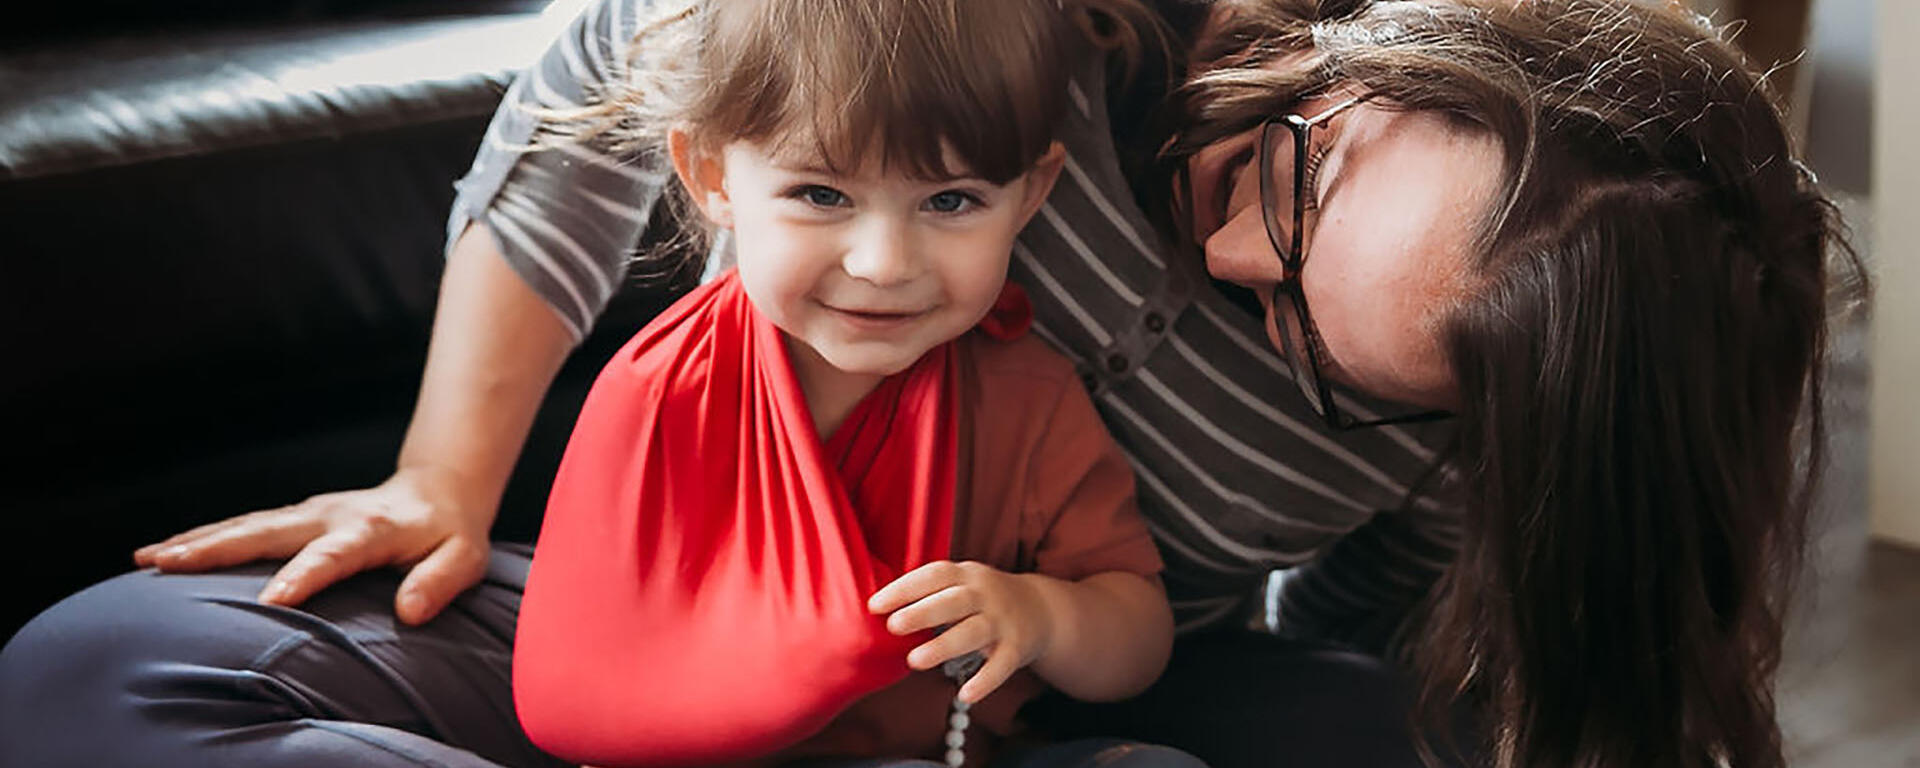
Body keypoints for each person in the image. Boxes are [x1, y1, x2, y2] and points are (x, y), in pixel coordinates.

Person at [0, 0, 1860, 767]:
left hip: (1014, 694)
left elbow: (1339, 668)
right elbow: (617, 47)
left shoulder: (1477, 435)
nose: (1231, 268)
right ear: (1399, 54)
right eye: (1301, 183)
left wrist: (1073, 627)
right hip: (646, 615)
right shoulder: (1058, 39)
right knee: (93, 668)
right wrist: (442, 473)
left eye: (1304, 345)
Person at [504, 2, 1183, 767]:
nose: (884, 264)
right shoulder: (662, 389)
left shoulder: (1029, 400)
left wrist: (1044, 616)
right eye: (822, 196)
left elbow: (1139, 639)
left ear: (1029, 194)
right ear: (711, 175)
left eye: (950, 200)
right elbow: (585, 679)